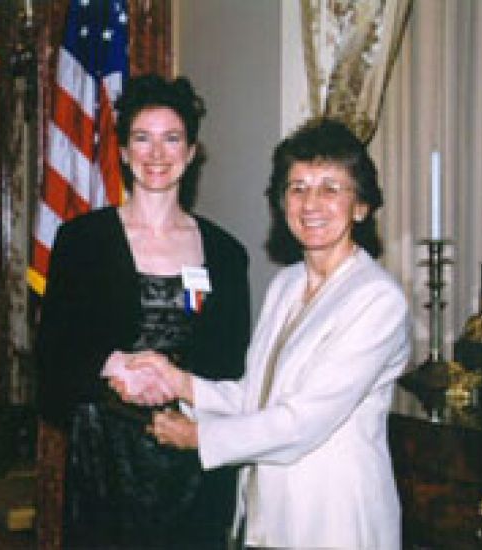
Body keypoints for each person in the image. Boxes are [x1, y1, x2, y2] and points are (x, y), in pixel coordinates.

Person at [112, 117, 412, 549]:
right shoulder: (286, 284)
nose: (311, 203)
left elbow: (303, 421)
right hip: (266, 508)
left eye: (330, 188)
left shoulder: (377, 300)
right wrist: (181, 383)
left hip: (333, 516)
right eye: (297, 187)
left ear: (361, 205)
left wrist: (198, 437)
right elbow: (257, 396)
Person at [34, 73, 251, 549]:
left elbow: (234, 368)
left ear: (191, 153)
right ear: (124, 152)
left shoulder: (227, 254)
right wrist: (114, 366)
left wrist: (176, 382)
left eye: (172, 138)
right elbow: (51, 359)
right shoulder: (81, 241)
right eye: (142, 138)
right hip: (105, 462)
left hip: (194, 460)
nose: (157, 154)